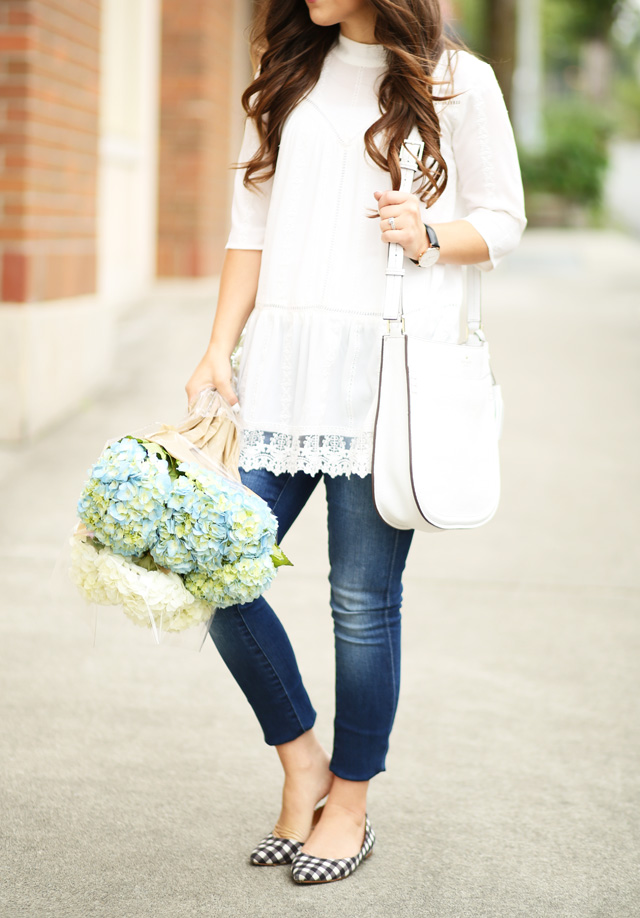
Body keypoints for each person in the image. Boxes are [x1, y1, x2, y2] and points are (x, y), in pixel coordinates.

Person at [185, 0, 526, 885]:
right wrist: (218, 349)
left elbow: (504, 219)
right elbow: (248, 227)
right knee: (213, 562)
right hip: (284, 376)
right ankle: (303, 762)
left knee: (360, 607)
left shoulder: (460, 82)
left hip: (383, 382)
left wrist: (431, 235)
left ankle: (352, 802)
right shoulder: (290, 72)